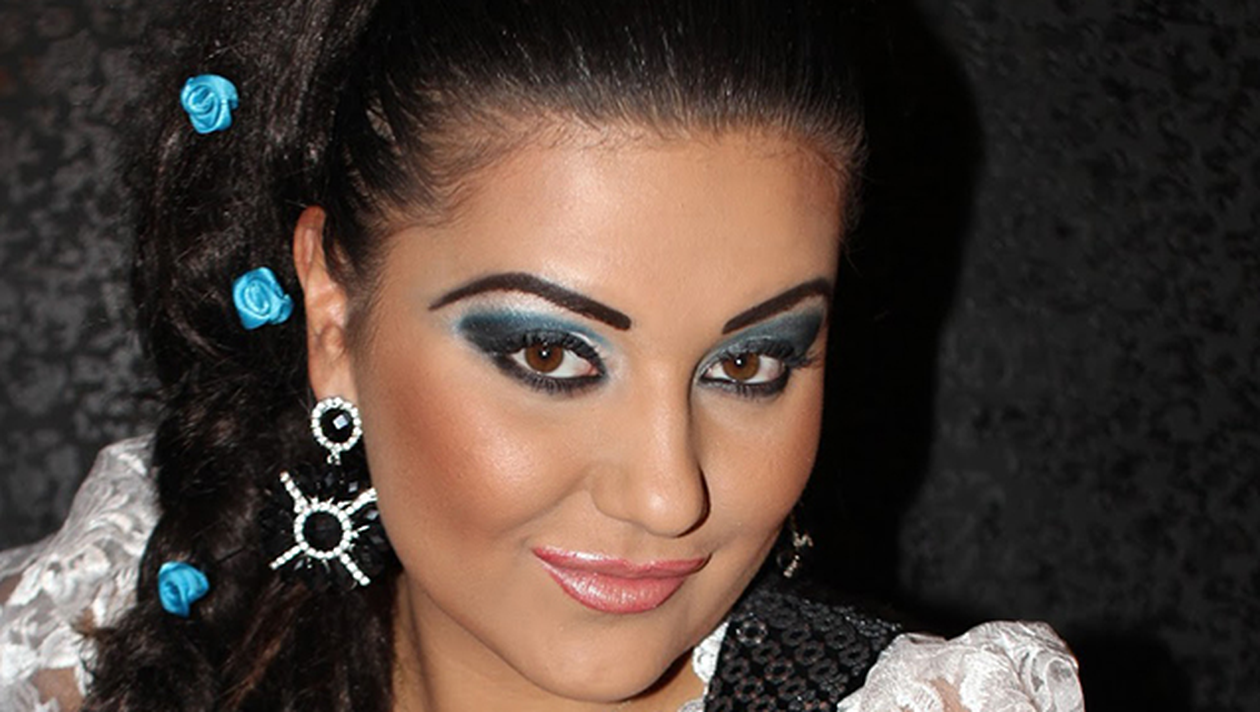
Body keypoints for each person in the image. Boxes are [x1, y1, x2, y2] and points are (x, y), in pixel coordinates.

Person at [0, 1, 1084, 710]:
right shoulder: (107, 639)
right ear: (333, 316)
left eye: (749, 365)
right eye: (552, 356)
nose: (667, 493)